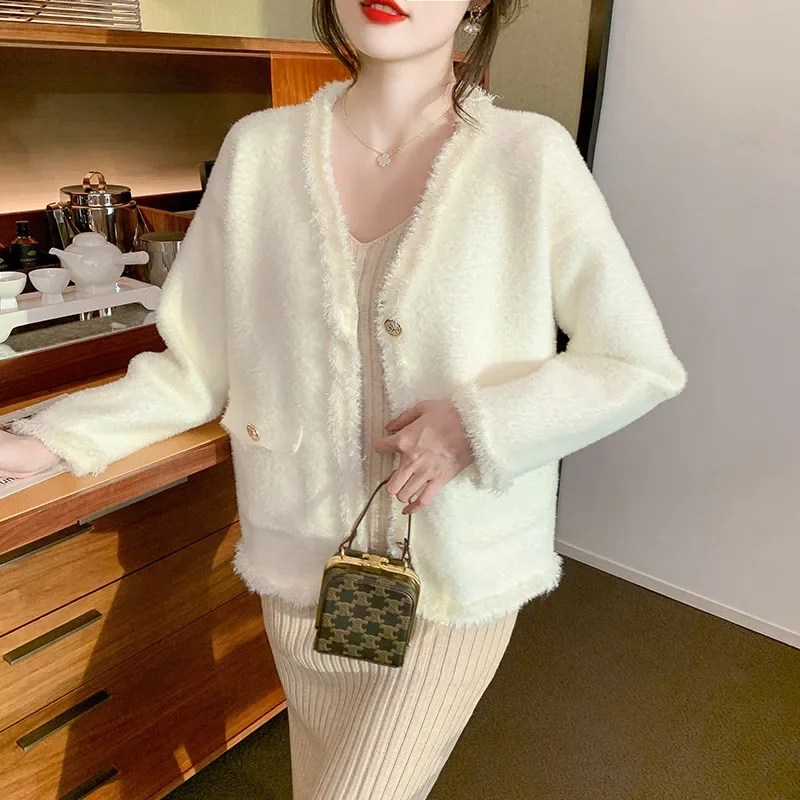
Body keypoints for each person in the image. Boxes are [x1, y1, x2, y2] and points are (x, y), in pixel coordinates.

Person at [0, 1, 688, 797]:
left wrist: (478, 425)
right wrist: (52, 439)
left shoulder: (528, 156)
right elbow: (197, 368)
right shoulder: (258, 152)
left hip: (452, 586)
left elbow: (634, 363)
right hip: (303, 575)